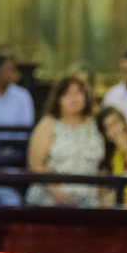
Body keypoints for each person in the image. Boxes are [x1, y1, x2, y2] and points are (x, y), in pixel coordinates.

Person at [25, 75, 103, 206]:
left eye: (78, 93)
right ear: (58, 99)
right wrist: (54, 189)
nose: (73, 98)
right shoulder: (48, 124)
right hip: (52, 193)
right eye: (66, 94)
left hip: (89, 196)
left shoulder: (94, 124)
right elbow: (35, 165)